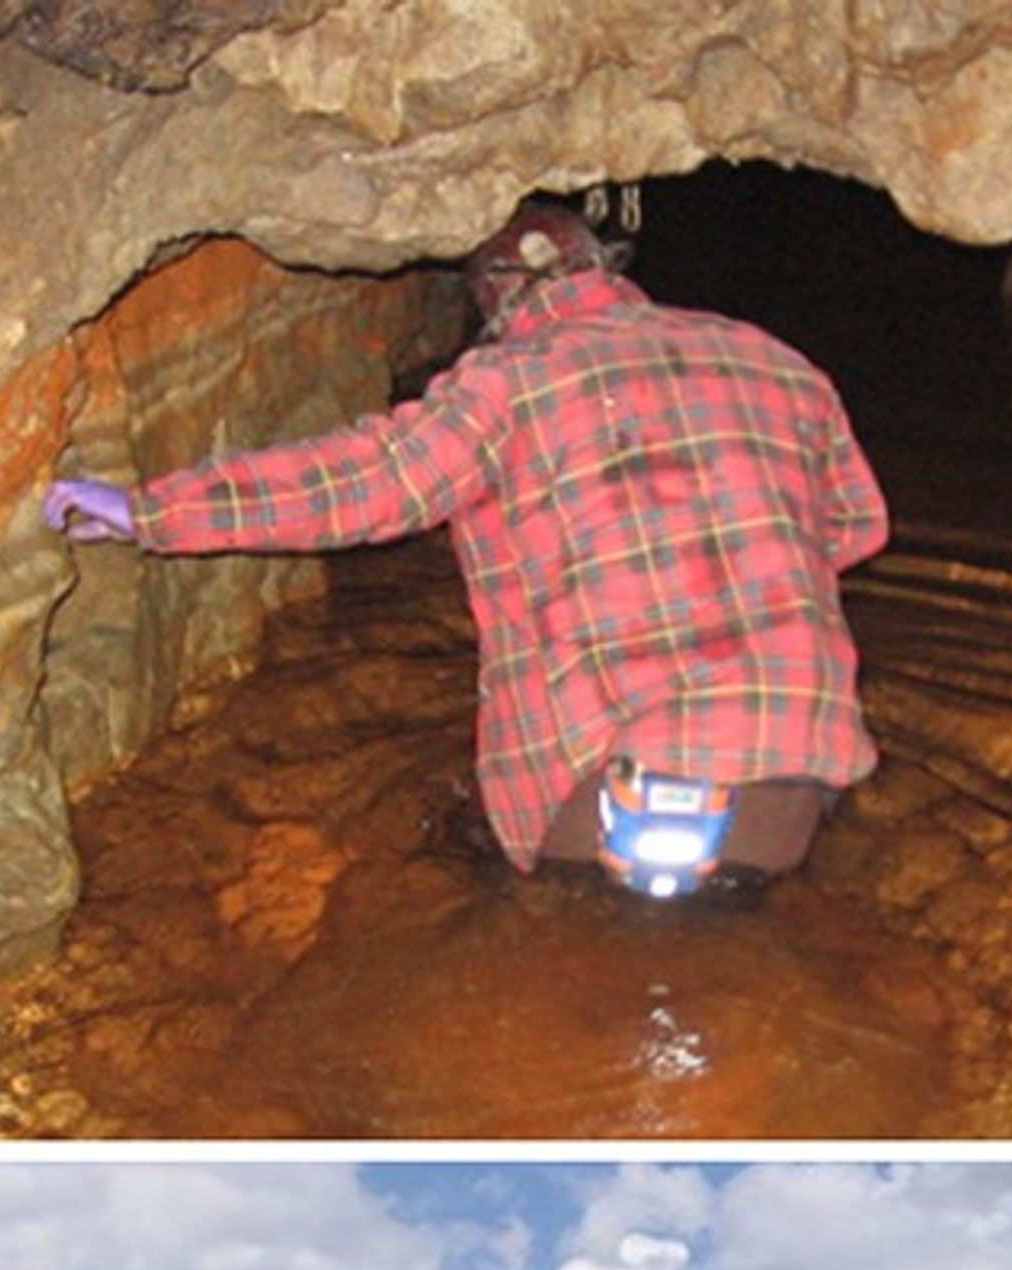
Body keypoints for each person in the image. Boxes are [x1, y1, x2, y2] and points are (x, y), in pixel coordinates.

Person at [44, 198, 887, 899]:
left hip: (612, 800)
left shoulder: (510, 379)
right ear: (606, 266)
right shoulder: (778, 364)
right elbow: (856, 527)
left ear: (494, 295)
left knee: (461, 873)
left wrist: (149, 511)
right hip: (791, 791)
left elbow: (365, 482)